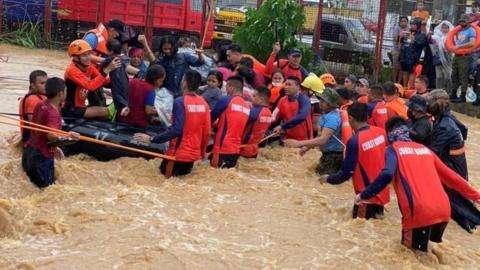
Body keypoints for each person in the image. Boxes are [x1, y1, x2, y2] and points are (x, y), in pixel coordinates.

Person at [355, 117, 480, 252]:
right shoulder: (425, 150)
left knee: (410, 257)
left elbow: (386, 174)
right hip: (444, 210)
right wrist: (477, 196)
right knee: (424, 256)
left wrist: (364, 195)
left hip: (419, 211)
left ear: (390, 135)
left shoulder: (393, 149)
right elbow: (453, 179)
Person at [133, 70, 211, 178]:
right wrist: (201, 153)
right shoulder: (204, 104)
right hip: (192, 156)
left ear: (184, 83)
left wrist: (152, 139)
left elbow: (177, 130)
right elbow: (207, 132)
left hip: (177, 154)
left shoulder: (180, 102)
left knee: (161, 181)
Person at [426, 89, 480, 232]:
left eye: (429, 103)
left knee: (459, 209)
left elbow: (432, 152)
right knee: (458, 203)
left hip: (452, 170)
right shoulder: (448, 118)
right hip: (456, 165)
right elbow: (464, 131)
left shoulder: (445, 126)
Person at [326, 102, 390, 219]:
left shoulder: (355, 141)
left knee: (358, 232)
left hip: (366, 198)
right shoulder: (381, 132)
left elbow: (346, 173)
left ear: (350, 118)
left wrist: (327, 179)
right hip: (382, 193)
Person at [22, 77, 79, 188]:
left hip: (29, 151)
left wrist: (56, 148)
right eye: (66, 91)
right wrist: (69, 138)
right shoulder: (53, 113)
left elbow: (40, 130)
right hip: (41, 158)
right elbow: (51, 136)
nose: (66, 93)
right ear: (60, 94)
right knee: (47, 191)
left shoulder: (41, 104)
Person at [284, 88, 344, 175]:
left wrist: (299, 143)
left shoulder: (332, 118)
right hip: (329, 154)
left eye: (323, 101)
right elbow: (320, 136)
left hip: (334, 156)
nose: (320, 102)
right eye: (320, 100)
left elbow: (323, 139)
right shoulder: (327, 115)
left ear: (330, 104)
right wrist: (307, 147)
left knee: (322, 180)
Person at [62, 40, 118, 119]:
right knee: (105, 112)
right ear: (75, 57)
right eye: (84, 55)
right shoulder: (71, 70)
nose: (88, 57)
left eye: (89, 54)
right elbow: (90, 85)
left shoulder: (89, 67)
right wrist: (106, 70)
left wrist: (119, 81)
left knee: (105, 109)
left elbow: (104, 82)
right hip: (72, 109)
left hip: (81, 106)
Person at [210, 76, 250, 168]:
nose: (226, 91)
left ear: (231, 88)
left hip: (222, 148)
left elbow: (210, 119)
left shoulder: (226, 100)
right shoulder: (247, 106)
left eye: (227, 88)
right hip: (236, 150)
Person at [271, 77, 313, 141]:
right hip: (288, 139)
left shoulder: (304, 99)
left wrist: (282, 126)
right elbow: (274, 116)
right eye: (286, 84)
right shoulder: (282, 100)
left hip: (304, 140)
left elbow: (301, 116)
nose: (286, 87)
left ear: (298, 87)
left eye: (289, 85)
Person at [240, 87, 273, 158]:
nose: (252, 98)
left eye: (254, 96)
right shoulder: (269, 113)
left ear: (261, 100)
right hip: (254, 149)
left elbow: (238, 123)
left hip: (243, 148)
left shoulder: (255, 112)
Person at [102, 38, 130, 120]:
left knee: (118, 102)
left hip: (116, 84)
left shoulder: (111, 59)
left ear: (110, 51)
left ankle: (118, 120)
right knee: (124, 100)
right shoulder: (124, 58)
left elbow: (101, 65)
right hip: (125, 83)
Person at [451, 15, 477, 103]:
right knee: (454, 74)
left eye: (464, 21)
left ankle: (463, 96)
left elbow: (472, 43)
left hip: (465, 56)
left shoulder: (472, 31)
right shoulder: (460, 30)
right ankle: (454, 93)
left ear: (469, 22)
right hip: (456, 55)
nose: (461, 22)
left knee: (463, 75)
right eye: (461, 21)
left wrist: (459, 46)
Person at [19, 70, 48, 142]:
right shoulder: (33, 100)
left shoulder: (38, 96)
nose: (46, 86)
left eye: (47, 83)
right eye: (42, 83)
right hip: (33, 143)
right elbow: (35, 126)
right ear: (33, 85)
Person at [399, 18, 428, 89]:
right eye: (411, 24)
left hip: (414, 57)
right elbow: (403, 43)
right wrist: (401, 37)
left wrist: (414, 40)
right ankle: (405, 88)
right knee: (405, 71)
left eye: (414, 24)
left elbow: (422, 44)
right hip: (405, 56)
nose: (412, 26)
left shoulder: (421, 35)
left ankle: (410, 88)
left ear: (418, 25)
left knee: (412, 72)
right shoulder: (408, 32)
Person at [431, 21, 454, 91]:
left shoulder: (452, 36)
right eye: (443, 28)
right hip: (438, 59)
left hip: (448, 59)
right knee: (439, 76)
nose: (444, 29)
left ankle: (448, 91)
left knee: (448, 76)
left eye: (446, 28)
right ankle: (438, 91)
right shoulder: (435, 37)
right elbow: (433, 48)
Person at [393, 16, 410, 83]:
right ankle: (394, 81)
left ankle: (399, 83)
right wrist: (400, 36)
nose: (403, 23)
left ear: (407, 22)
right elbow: (395, 39)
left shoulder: (408, 28)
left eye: (405, 21)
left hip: (405, 51)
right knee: (395, 67)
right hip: (396, 49)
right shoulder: (396, 28)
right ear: (399, 22)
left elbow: (409, 39)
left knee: (401, 67)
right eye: (402, 21)